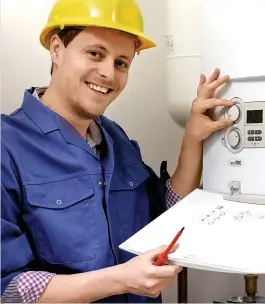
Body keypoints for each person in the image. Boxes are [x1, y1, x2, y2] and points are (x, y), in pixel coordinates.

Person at [1, 0, 234, 303]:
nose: (108, 74)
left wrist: (193, 138)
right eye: (95, 53)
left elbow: (164, 215)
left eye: (121, 63)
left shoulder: (113, 136)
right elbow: (8, 289)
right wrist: (121, 280)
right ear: (57, 49)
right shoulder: (7, 146)